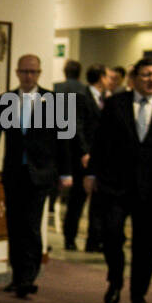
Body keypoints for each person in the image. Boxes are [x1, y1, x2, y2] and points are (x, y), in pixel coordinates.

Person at [85, 57, 152, 303]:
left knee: (146, 241)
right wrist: (92, 173)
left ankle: (138, 292)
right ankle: (115, 280)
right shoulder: (117, 103)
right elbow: (100, 141)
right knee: (112, 232)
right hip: (115, 183)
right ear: (135, 78)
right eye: (147, 75)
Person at [0, 54, 73, 297]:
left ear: (39, 74)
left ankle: (28, 277)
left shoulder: (53, 101)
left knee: (31, 224)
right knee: (15, 225)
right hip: (14, 172)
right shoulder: (5, 100)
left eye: (33, 72)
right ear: (17, 73)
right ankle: (18, 275)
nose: (29, 76)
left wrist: (67, 172)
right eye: (25, 72)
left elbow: (64, 141)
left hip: (41, 174)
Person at [56, 60, 101, 251]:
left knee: (75, 199)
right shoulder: (84, 92)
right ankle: (85, 238)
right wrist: (85, 151)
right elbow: (79, 125)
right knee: (81, 198)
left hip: (63, 146)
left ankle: (70, 237)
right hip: (82, 152)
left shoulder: (56, 88)